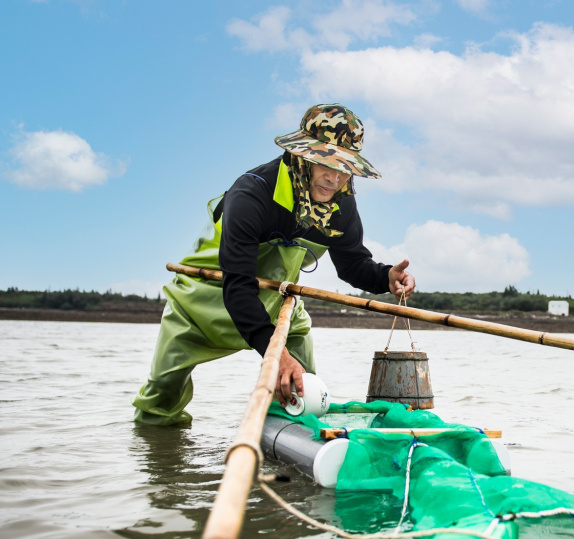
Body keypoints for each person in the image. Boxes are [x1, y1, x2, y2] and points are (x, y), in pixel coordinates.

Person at [133, 104, 414, 425]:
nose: (333, 177)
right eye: (324, 162)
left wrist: (385, 277)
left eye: (344, 166)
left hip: (280, 303)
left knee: (305, 393)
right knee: (159, 402)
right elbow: (237, 286)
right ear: (300, 156)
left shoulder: (341, 202)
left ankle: (291, 446)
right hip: (204, 303)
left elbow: (352, 264)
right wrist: (275, 355)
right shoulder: (252, 193)